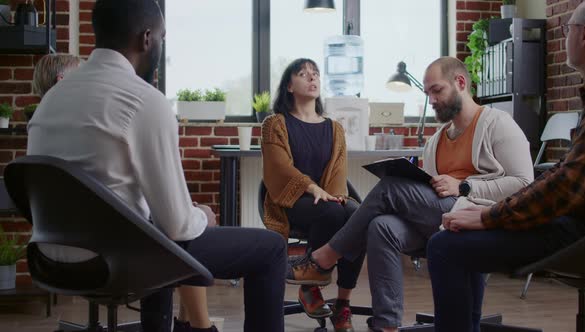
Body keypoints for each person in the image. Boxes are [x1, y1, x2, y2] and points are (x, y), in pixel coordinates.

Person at [26, 1, 286, 332]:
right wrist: (202, 217)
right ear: (147, 38)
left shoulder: (51, 100)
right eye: (162, 38)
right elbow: (178, 226)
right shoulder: (143, 100)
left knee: (152, 234)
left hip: (48, 259)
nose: (161, 47)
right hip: (114, 262)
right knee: (271, 248)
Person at [287, 56, 534, 332]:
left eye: (437, 91)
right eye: (428, 93)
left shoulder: (498, 124)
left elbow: (525, 183)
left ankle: (325, 258)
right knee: (381, 227)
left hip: (480, 215)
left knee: (390, 188)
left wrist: (464, 186)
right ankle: (387, 326)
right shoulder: (436, 140)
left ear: (460, 83)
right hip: (442, 218)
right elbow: (427, 194)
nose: (433, 100)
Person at [426, 3, 585, 332]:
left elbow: (564, 186)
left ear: (584, 35)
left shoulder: (496, 124)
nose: (564, 36)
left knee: (444, 246)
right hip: (569, 218)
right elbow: (560, 174)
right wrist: (495, 212)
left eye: (566, 29)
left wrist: (489, 215)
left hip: (579, 230)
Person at [261, 58, 364, 332]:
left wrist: (334, 194)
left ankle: (343, 303)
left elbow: (339, 170)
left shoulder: (334, 128)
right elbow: (279, 168)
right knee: (331, 211)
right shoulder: (275, 124)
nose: (312, 78)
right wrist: (314, 189)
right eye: (303, 74)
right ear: (289, 86)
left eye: (315, 74)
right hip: (290, 201)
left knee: (358, 217)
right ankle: (310, 287)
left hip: (326, 200)